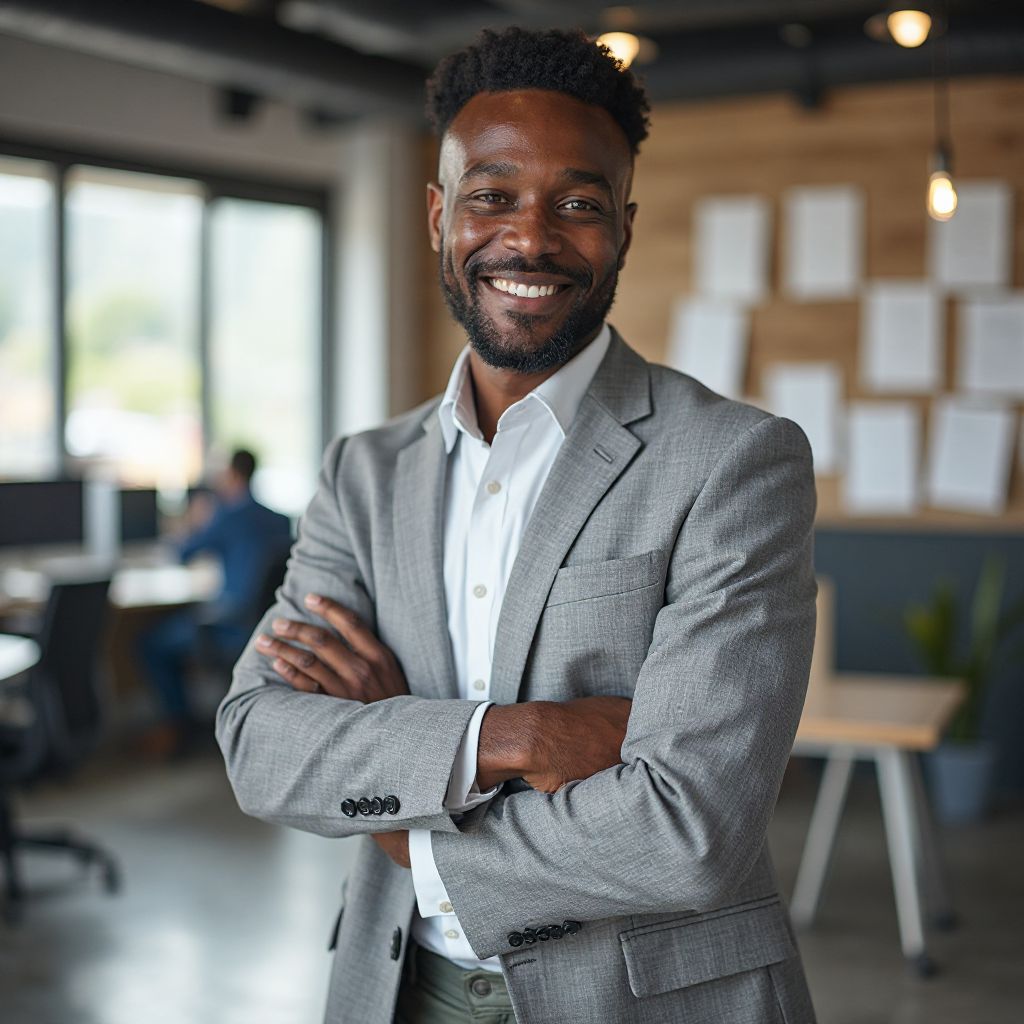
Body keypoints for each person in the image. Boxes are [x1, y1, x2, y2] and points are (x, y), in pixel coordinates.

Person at [217, 27, 818, 1024]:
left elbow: (691, 827)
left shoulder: (734, 461)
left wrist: (403, 810)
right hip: (396, 987)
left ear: (622, 228)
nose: (530, 238)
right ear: (437, 213)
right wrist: (510, 736)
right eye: (491, 195)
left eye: (576, 204)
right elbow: (261, 746)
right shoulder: (361, 473)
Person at [138, 448, 290, 757]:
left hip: (227, 625)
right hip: (269, 627)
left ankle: (179, 725)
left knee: (151, 644)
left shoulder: (227, 516)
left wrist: (197, 519)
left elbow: (181, 554)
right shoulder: (279, 519)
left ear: (231, 475)